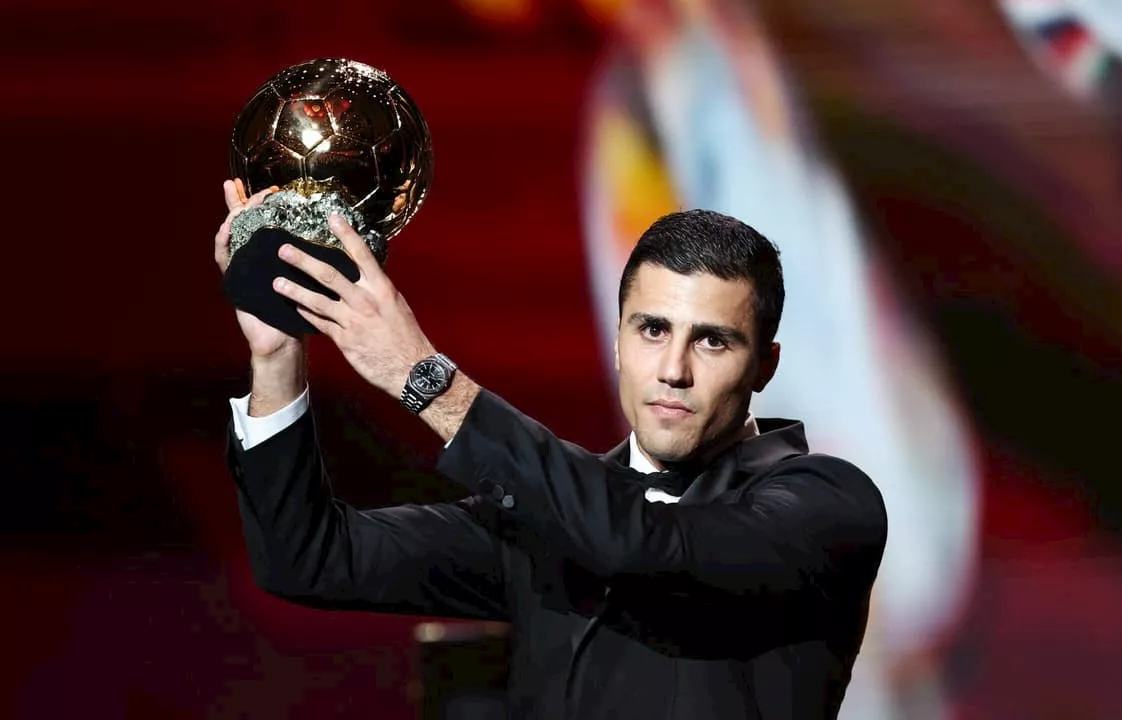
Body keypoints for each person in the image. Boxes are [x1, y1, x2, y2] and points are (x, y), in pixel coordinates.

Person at [213, 179, 888, 719]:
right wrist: (276, 359)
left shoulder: (825, 504)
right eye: (652, 330)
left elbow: (639, 544)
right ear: (617, 339)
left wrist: (427, 381)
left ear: (764, 366)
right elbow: (308, 560)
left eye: (712, 340)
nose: (673, 369)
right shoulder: (543, 510)